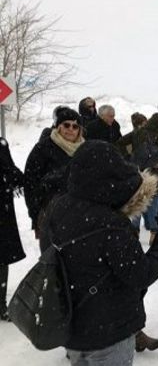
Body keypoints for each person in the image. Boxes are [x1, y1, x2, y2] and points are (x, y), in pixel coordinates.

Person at [39, 140, 158, 364]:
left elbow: (51, 257)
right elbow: (140, 275)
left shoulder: (56, 209)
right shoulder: (112, 224)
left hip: (72, 329)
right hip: (110, 332)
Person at [116, 113, 158, 244]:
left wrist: (129, 158)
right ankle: (154, 232)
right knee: (152, 204)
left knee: (136, 201)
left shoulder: (137, 133)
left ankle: (134, 232)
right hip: (154, 175)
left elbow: (120, 143)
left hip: (137, 173)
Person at [24, 106, 85, 245]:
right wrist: (35, 213)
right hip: (50, 213)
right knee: (51, 259)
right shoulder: (43, 148)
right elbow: (30, 182)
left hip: (80, 213)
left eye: (75, 126)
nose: (71, 129)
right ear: (58, 127)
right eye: (66, 125)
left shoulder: (85, 149)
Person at [0, 137, 26, 321]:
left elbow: (14, 175)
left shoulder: (1, 145)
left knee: (2, 259)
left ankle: (0, 304)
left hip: (2, 211)